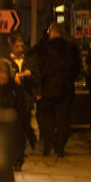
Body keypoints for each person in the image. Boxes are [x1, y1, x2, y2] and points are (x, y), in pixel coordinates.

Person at [33, 22, 82, 158]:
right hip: (66, 89)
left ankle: (48, 144)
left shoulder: (44, 48)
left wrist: (39, 87)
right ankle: (59, 146)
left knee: (47, 117)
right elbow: (77, 68)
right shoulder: (71, 48)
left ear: (52, 32)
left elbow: (38, 67)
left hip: (48, 88)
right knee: (63, 119)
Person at [0, 58, 30, 171]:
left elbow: (22, 107)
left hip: (13, 123)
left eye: (3, 72)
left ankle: (17, 160)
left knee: (17, 137)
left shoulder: (15, 88)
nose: (1, 75)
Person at [6, 34, 37, 149]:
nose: (19, 49)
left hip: (26, 98)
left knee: (25, 124)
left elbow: (35, 77)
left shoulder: (28, 60)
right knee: (14, 125)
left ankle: (26, 145)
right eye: (17, 46)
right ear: (12, 47)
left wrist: (24, 75)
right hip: (13, 99)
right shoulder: (8, 60)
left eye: (21, 46)